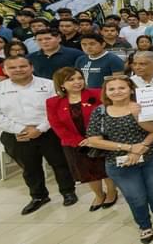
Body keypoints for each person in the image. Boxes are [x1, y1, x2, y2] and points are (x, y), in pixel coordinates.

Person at [0, 56, 77, 215]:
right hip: (16, 135)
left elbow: (58, 109)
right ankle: (38, 196)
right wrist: (21, 129)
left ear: (31, 67)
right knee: (29, 168)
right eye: (12, 68)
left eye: (22, 66)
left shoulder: (48, 85)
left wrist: (40, 129)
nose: (18, 70)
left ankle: (68, 192)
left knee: (60, 163)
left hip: (49, 131)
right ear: (5, 71)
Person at [85, 75, 153, 243]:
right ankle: (144, 226)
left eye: (121, 88)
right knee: (136, 197)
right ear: (106, 92)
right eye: (112, 89)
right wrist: (129, 148)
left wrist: (138, 121)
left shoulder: (141, 106)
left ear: (131, 89)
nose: (117, 92)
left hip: (150, 158)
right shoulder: (100, 111)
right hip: (119, 164)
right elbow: (93, 140)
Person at [45, 68, 117, 212]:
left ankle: (112, 192)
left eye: (79, 78)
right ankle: (98, 195)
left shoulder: (97, 94)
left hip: (102, 139)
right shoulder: (53, 102)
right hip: (76, 144)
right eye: (71, 80)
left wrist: (96, 138)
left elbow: (110, 115)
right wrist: (79, 141)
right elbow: (56, 125)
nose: (77, 82)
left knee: (106, 169)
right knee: (87, 171)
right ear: (61, 84)